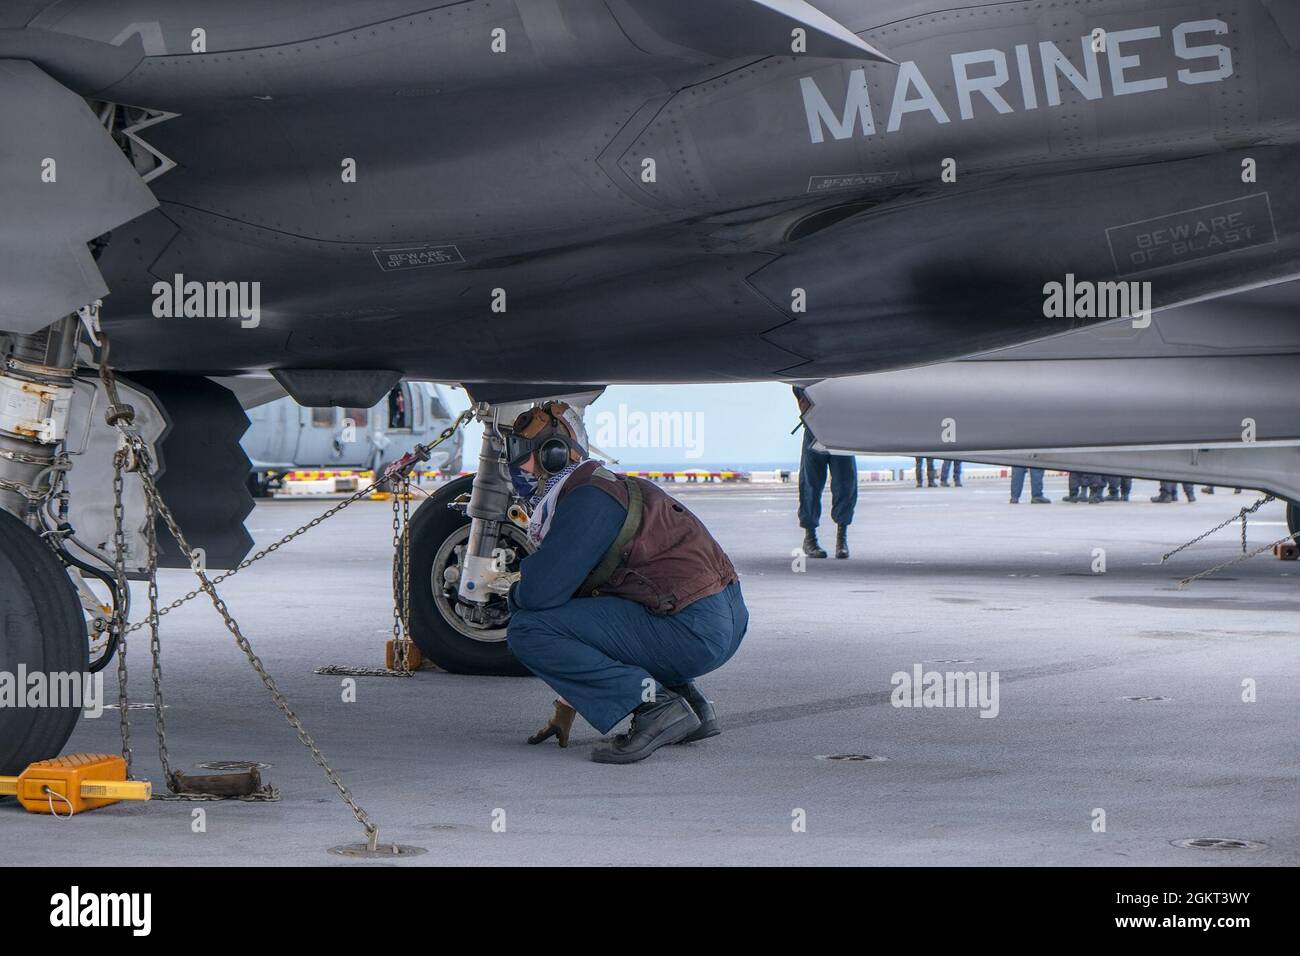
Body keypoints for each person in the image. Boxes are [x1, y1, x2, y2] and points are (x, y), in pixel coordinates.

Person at [504, 402, 749, 764]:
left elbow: (541, 594)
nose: (518, 467)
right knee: (602, 610)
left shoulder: (588, 499)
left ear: (555, 455)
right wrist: (566, 704)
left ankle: (655, 708)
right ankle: (693, 706)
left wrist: (512, 592)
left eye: (525, 456)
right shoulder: (608, 486)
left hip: (694, 631)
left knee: (528, 628)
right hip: (720, 622)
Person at [793, 387, 857, 559]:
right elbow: (798, 387)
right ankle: (810, 538)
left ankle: (841, 540)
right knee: (810, 485)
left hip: (842, 430)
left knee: (846, 484)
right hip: (815, 428)